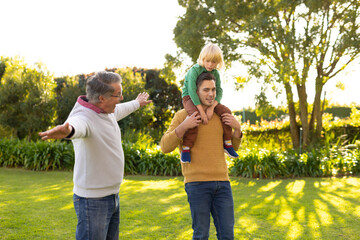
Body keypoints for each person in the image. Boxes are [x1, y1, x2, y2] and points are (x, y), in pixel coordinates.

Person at [39, 71, 151, 240]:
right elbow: (78, 127)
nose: (121, 98)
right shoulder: (83, 116)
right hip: (93, 201)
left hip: (112, 196)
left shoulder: (107, 111)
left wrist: (137, 102)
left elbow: (122, 108)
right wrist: (67, 131)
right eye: (118, 95)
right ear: (101, 98)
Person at [161, 72, 243, 240]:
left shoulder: (221, 115)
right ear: (196, 92)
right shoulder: (182, 116)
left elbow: (233, 147)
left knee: (227, 235)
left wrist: (237, 129)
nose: (211, 94)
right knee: (201, 234)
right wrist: (184, 126)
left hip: (223, 184)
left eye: (213, 89)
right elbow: (165, 146)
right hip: (196, 184)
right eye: (206, 90)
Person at [181, 42, 238, 163]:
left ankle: (227, 143)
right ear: (202, 58)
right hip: (189, 97)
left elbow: (220, 91)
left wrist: (211, 108)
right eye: (208, 61)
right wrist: (201, 111)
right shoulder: (194, 70)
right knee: (194, 117)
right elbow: (192, 90)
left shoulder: (215, 73)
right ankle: (186, 147)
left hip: (208, 100)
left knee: (225, 111)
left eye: (214, 62)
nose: (210, 65)